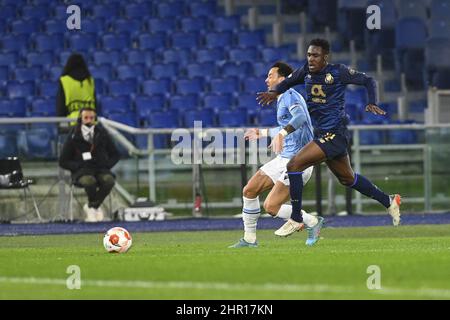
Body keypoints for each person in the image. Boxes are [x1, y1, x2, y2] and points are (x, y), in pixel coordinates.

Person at [257, 39, 401, 242]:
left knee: (294, 164)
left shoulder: (338, 72)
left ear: (325, 57)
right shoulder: (305, 71)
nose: (311, 59)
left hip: (334, 134)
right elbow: (287, 83)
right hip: (323, 135)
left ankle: (296, 218)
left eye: (315, 55)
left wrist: (371, 101)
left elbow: (369, 81)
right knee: (348, 179)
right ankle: (389, 200)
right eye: (308, 55)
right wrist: (273, 93)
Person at [230, 61, 323, 248]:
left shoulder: (289, 95)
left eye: (270, 75)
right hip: (284, 158)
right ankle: (249, 239)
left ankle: (311, 221)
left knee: (271, 207)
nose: (266, 79)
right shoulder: (281, 97)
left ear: (283, 79)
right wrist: (263, 133)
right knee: (249, 191)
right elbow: (287, 126)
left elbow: (301, 118)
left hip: (298, 161)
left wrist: (281, 134)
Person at [59, 108, 120, 222]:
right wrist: (77, 166)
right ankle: (95, 207)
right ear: (80, 119)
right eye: (86, 118)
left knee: (109, 180)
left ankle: (92, 206)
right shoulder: (73, 135)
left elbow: (115, 154)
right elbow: (63, 161)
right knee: (89, 181)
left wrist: (107, 165)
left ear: (95, 119)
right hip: (82, 171)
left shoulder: (102, 133)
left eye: (91, 118)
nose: (89, 121)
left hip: (101, 169)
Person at [56, 53, 97, 125]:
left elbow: (61, 106)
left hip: (72, 123)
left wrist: (60, 125)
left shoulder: (64, 80)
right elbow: (95, 104)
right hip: (90, 122)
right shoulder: (90, 81)